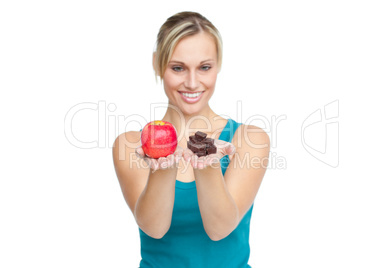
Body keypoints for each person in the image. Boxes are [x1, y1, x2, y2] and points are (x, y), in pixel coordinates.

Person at [112, 11, 270, 268]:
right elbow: (154, 228)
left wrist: (207, 166)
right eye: (178, 68)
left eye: (204, 67)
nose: (192, 83)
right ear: (157, 63)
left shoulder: (250, 139)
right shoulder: (130, 145)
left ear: (218, 65)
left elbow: (220, 229)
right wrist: (163, 168)